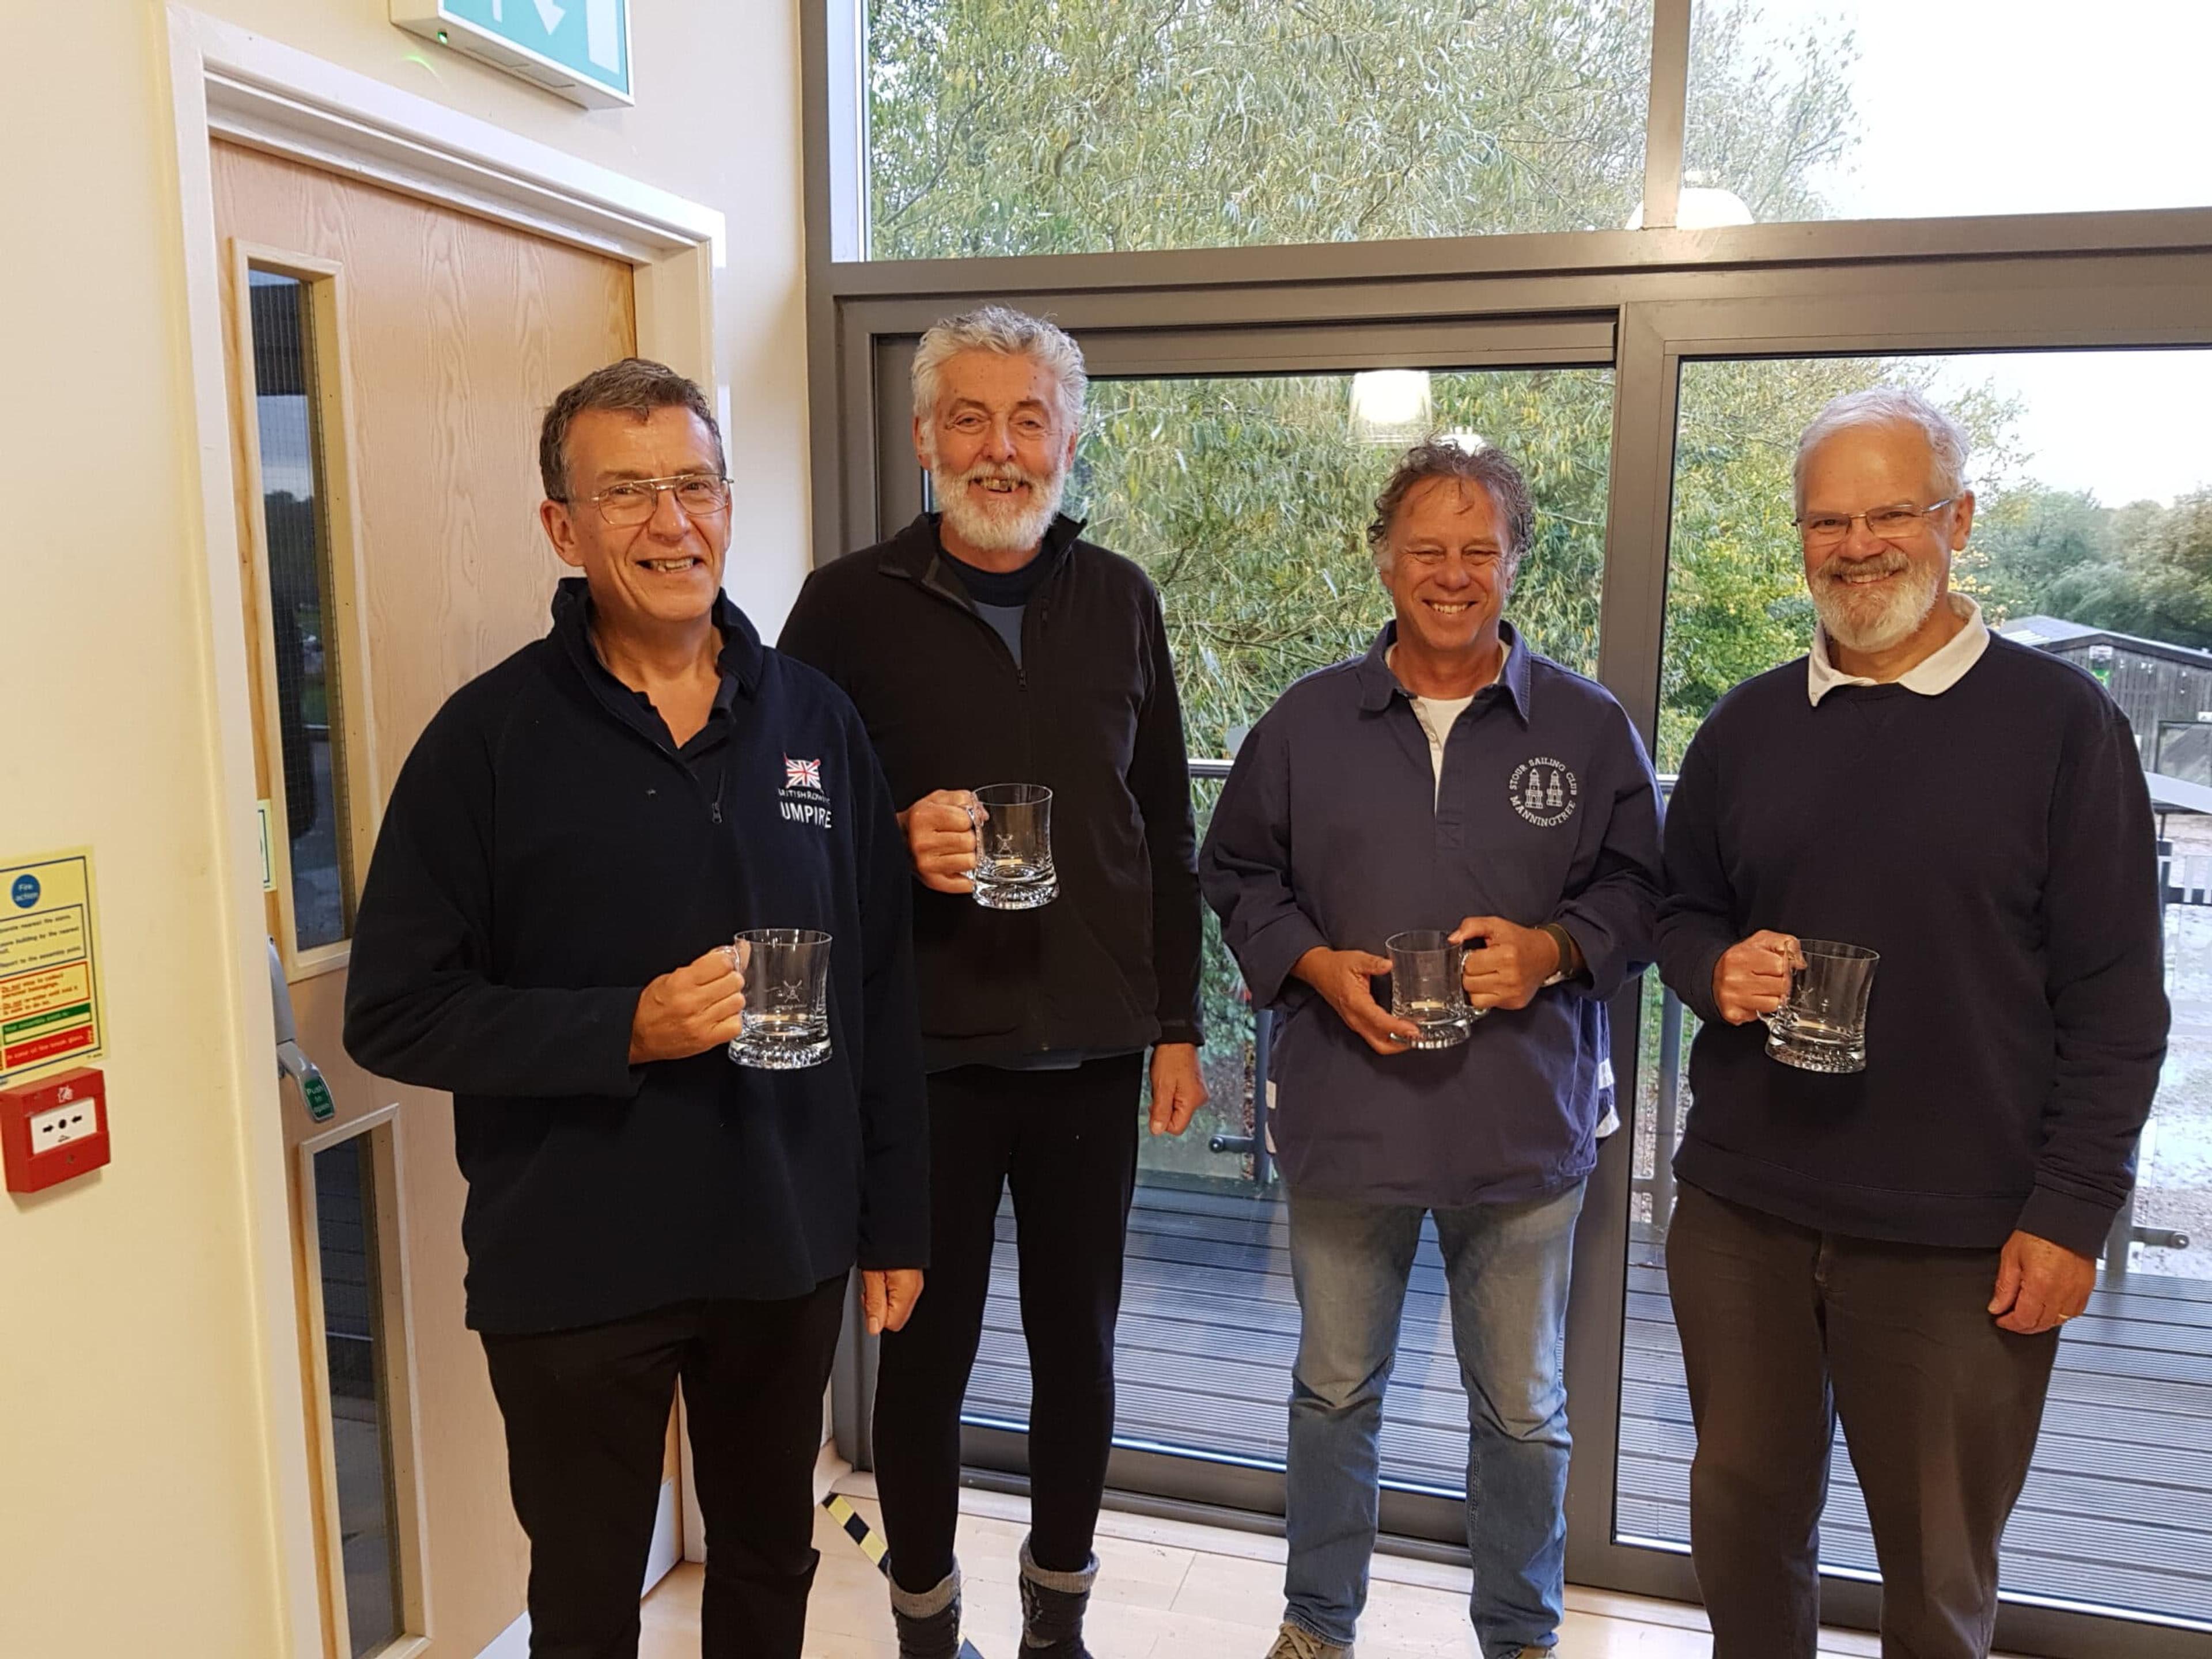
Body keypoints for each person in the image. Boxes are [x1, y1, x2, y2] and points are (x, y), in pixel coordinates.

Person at [343, 358, 927, 1659]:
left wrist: (895, 1217)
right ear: (562, 527)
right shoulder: (486, 741)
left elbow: (882, 988)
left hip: (782, 1240)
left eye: (695, 485)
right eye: (627, 493)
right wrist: (624, 1028)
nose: (672, 522)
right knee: (587, 1592)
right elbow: (394, 1011)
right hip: (573, 1253)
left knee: (768, 1559)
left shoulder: (817, 721)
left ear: (729, 505)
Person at [1654, 387, 2169, 1658]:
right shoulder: (1745, 726)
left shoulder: (2065, 727)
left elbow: (2119, 1001)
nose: (1857, 546)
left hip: (1964, 1235)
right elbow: (1677, 912)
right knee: (1741, 1533)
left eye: (1891, 514)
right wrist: (1715, 968)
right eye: (1826, 522)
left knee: (1939, 1577)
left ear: (1960, 520)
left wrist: (2072, 1212)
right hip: (1745, 1213)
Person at [778, 306, 1208, 1659]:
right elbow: (782, 820)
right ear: (924, 439)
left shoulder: (1121, 598)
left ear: (1070, 442)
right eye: (970, 418)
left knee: (1080, 1352)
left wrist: (1180, 1024)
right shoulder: (844, 605)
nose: (1001, 448)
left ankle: (1056, 1624)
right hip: (924, 1056)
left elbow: (1164, 826)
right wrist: (892, 837)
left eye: (1030, 420)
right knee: (927, 1357)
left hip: (1094, 1047)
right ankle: (925, 1623)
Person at [1199, 438, 1663, 1659]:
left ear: (1514, 562)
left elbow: (1641, 894)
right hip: (1349, 1119)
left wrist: (1554, 951)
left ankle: (1520, 1638)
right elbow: (1236, 871)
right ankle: (1317, 1626)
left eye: (1478, 550)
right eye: (1426, 550)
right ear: (1384, 561)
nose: (1452, 574)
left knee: (1523, 1413)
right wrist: (1313, 964)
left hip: (1523, 1128)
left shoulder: (1588, 727)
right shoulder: (1305, 722)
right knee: (1334, 1395)